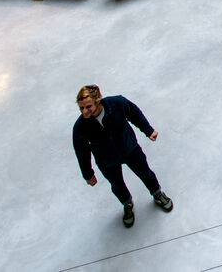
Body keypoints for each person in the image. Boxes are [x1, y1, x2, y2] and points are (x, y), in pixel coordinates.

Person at [72, 85, 173, 228]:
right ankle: (127, 203)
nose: (84, 111)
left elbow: (134, 114)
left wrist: (148, 130)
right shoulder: (80, 127)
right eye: (81, 108)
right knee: (117, 185)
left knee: (145, 173)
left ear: (98, 101)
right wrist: (88, 174)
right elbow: (81, 151)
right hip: (107, 160)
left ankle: (157, 193)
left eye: (88, 107)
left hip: (129, 149)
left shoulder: (117, 103)